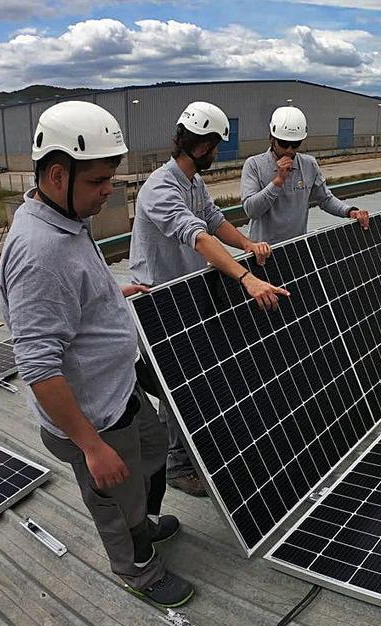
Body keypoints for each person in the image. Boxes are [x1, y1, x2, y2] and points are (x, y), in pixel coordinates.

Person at [0, 101, 193, 608]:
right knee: (115, 498)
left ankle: (143, 523)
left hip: (118, 392)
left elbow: (77, 291)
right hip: (93, 419)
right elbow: (39, 367)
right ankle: (139, 569)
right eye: (99, 181)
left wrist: (110, 296)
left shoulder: (64, 217)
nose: (110, 190)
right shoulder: (40, 254)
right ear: (57, 174)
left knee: (151, 453)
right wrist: (91, 446)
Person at [130, 101, 288, 497]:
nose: (216, 153)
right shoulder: (160, 188)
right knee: (173, 386)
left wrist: (248, 243)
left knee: (189, 379)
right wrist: (246, 277)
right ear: (201, 146)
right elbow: (198, 237)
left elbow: (215, 223)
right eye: (215, 145)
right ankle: (177, 466)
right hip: (159, 300)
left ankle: (189, 453)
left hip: (186, 291)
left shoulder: (193, 184)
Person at [240, 104, 371, 244]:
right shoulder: (253, 165)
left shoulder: (309, 164)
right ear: (272, 138)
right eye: (284, 143)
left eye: (295, 144)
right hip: (262, 250)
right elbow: (251, 211)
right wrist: (278, 181)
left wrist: (349, 211)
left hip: (297, 246)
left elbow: (325, 199)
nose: (289, 150)